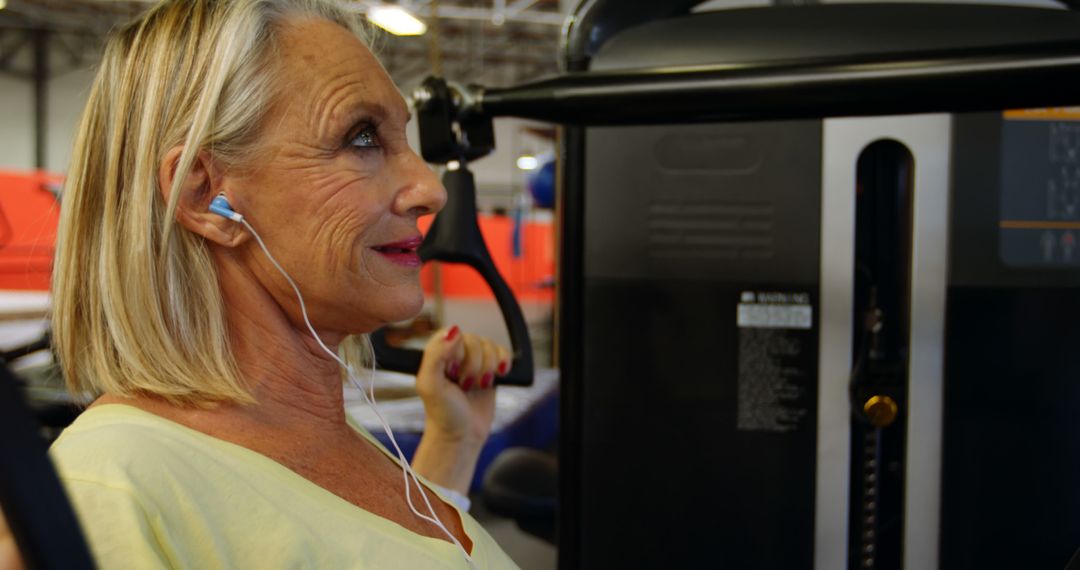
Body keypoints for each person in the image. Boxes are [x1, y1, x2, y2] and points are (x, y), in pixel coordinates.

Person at [45, 0, 518, 567]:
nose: (428, 189)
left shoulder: (323, 441)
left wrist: (452, 443)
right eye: (362, 138)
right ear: (205, 198)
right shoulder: (108, 486)